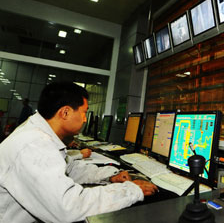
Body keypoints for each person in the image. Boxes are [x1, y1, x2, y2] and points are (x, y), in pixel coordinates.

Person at [0, 82, 158, 223]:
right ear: (65, 113)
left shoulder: (39, 134)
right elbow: (68, 207)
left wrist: (109, 176)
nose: (84, 119)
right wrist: (131, 190)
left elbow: (68, 169)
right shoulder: (34, 145)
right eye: (83, 112)